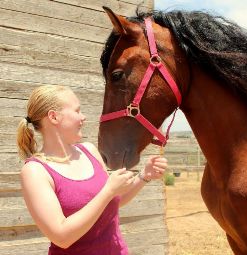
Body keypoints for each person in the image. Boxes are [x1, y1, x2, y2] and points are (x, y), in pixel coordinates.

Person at [16, 85, 168, 255]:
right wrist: (107, 191)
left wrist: (144, 176)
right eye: (77, 110)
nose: (83, 117)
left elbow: (113, 201)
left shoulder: (88, 151)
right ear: (54, 117)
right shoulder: (35, 171)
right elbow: (62, 237)